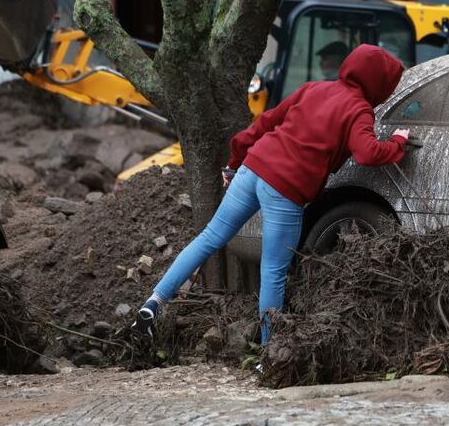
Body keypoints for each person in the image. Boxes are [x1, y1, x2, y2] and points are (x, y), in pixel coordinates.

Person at [131, 44, 411, 344]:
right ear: (378, 82)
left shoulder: (313, 89)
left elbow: (264, 123)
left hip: (252, 169)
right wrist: (398, 142)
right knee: (274, 270)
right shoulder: (360, 110)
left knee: (208, 239)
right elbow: (368, 153)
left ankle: (153, 304)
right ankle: (268, 352)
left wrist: (233, 164)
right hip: (285, 188)